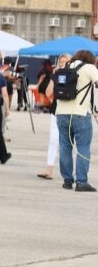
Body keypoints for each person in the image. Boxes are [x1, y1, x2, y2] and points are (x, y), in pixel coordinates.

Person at [48, 49, 98, 192]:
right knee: (83, 147)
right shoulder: (89, 68)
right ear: (90, 59)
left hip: (61, 113)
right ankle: (81, 182)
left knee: (65, 147)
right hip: (80, 114)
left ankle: (67, 180)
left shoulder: (64, 67)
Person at [35, 56, 65, 180]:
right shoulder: (56, 75)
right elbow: (48, 92)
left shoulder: (75, 76)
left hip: (69, 112)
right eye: (61, 62)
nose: (63, 64)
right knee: (54, 140)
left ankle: (70, 173)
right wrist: (54, 77)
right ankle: (49, 169)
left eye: (65, 62)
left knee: (67, 142)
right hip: (57, 110)